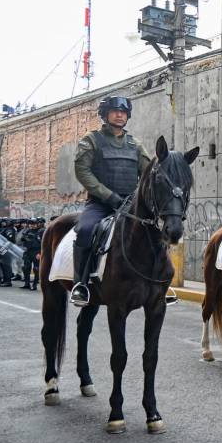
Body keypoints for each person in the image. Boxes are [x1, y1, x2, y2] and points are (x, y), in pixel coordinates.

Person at [71, 95, 151, 306]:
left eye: (123, 112)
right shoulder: (91, 140)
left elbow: (148, 174)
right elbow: (82, 171)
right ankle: (80, 284)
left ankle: (159, 283)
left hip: (129, 205)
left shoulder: (135, 144)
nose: (119, 115)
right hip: (100, 204)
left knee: (154, 232)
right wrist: (108, 196)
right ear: (105, 115)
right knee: (85, 230)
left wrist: (137, 198)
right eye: (115, 111)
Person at [20, 218, 41, 290]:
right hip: (28, 251)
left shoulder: (40, 232)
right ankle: (27, 284)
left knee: (36, 269)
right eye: (31, 224)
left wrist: (40, 253)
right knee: (26, 268)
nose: (32, 225)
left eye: (34, 224)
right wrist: (24, 238)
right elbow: (22, 240)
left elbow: (43, 244)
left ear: (37, 224)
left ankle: (34, 285)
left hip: (36, 251)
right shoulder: (27, 231)